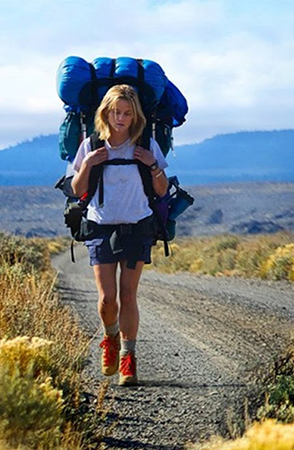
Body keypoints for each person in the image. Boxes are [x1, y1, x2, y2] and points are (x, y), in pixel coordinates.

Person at [70, 84, 169, 386]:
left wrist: (151, 165)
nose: (121, 118)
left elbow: (162, 190)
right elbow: (76, 190)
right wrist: (87, 164)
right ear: (106, 113)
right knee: (107, 298)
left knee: (128, 294)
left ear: (135, 115)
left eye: (127, 113)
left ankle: (128, 358)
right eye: (116, 112)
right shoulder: (90, 144)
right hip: (100, 226)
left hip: (138, 225)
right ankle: (110, 337)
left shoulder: (147, 145)